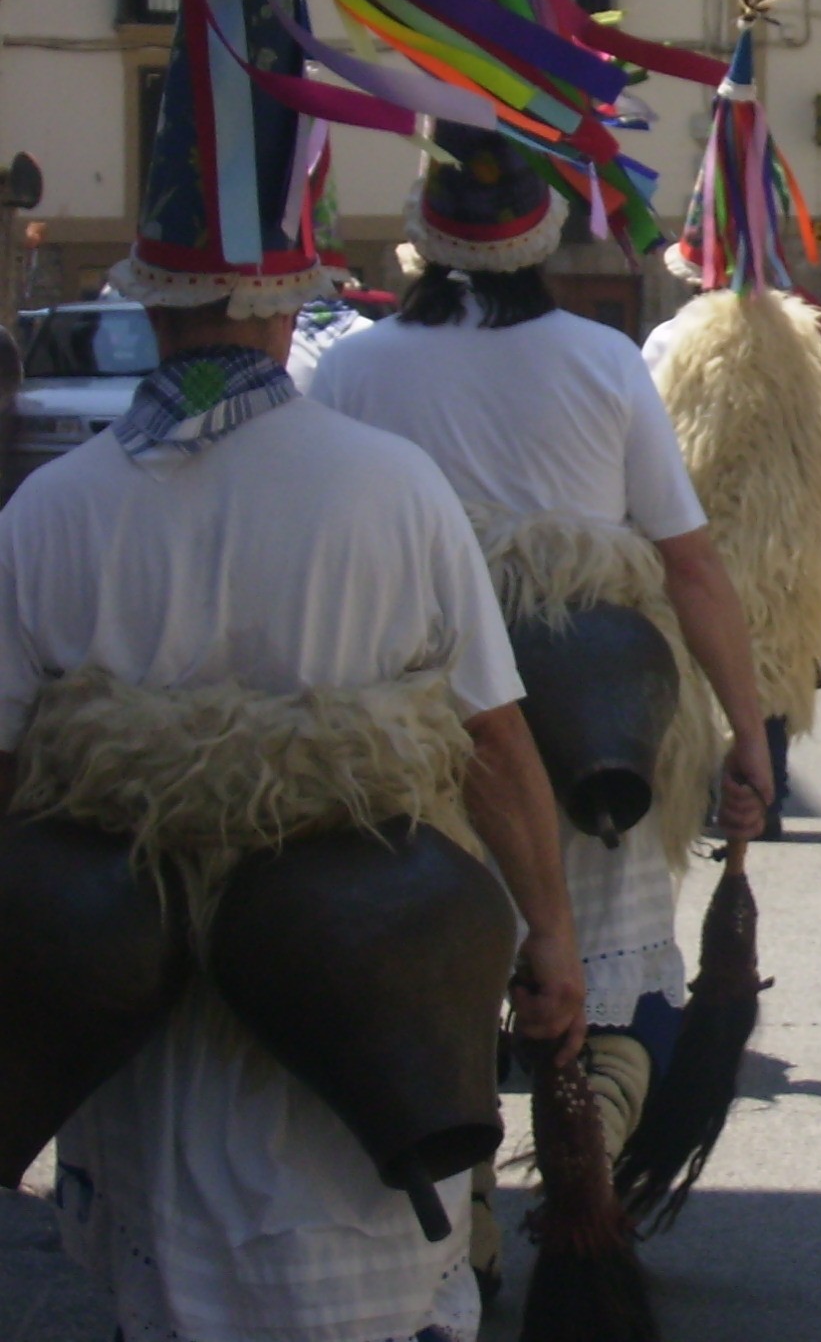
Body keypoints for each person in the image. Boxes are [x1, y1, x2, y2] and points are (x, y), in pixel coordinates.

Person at [0, 0, 585, 1337]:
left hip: (143, 1089)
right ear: (277, 282)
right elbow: (497, 758)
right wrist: (555, 950)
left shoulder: (48, 519)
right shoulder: (383, 488)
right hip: (364, 1050)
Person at [310, 122, 772, 1238]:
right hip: (597, 724)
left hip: (415, 723)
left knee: (447, 966)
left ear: (422, 239)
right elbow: (689, 565)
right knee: (608, 974)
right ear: (540, 238)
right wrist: (746, 735)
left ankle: (465, 1235)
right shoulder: (602, 359)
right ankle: (590, 1168)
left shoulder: (353, 367)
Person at [649, 0, 821, 840]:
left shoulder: (672, 338)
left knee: (700, 666)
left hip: (697, 535)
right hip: (782, 543)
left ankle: (713, 783)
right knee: (775, 661)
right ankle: (764, 781)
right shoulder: (799, 340)